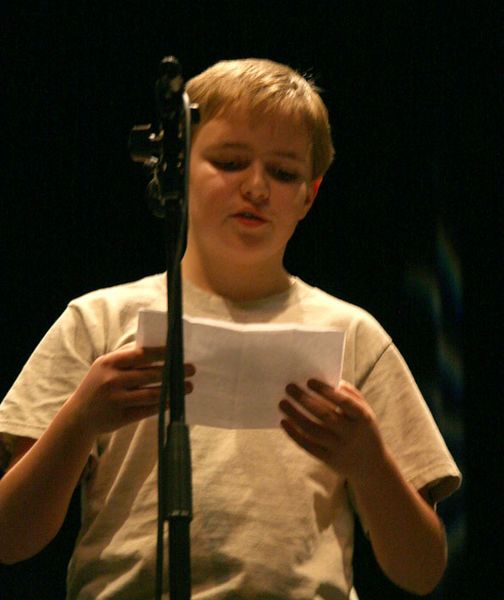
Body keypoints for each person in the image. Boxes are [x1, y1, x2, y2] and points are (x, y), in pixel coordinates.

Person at [0, 58, 460, 599]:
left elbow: (423, 570)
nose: (257, 188)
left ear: (309, 196)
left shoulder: (353, 335)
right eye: (230, 161)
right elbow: (10, 539)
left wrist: (370, 463)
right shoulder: (98, 320)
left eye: (284, 172)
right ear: (176, 170)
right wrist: (79, 421)